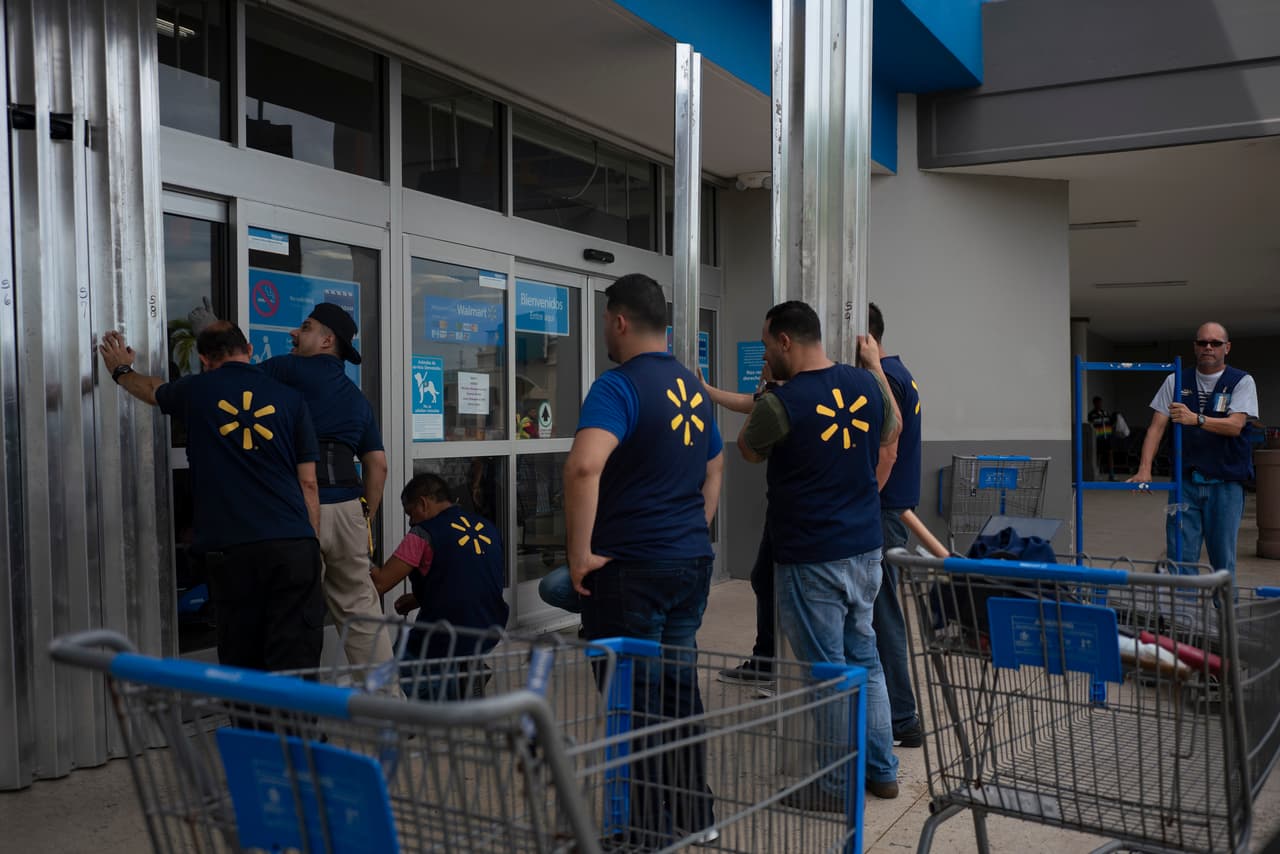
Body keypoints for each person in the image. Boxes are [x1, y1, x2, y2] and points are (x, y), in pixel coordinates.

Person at [564, 273, 724, 844]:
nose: (606, 328)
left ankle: (644, 830)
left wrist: (579, 554)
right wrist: (691, 527)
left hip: (631, 570)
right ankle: (694, 817)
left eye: (607, 318)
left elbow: (585, 466)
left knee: (635, 701)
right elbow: (715, 467)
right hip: (688, 562)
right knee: (680, 690)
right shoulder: (692, 390)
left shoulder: (618, 386)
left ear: (621, 321)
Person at [737, 300, 902, 804]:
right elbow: (892, 428)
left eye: (768, 346)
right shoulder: (865, 384)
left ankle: (833, 787)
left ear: (785, 342)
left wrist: (767, 389)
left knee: (827, 673)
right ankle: (882, 770)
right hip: (865, 550)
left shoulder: (781, 402)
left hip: (812, 557)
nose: (767, 355)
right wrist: (873, 368)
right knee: (865, 661)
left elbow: (747, 448)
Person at [98, 322, 324, 672]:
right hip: (292, 545)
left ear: (204, 359)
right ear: (249, 350)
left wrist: (120, 369)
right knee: (296, 655)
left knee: (241, 656)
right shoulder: (292, 400)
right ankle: (297, 726)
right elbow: (308, 483)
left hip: (232, 549)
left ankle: (249, 727)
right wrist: (309, 542)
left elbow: (151, 390)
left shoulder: (196, 391)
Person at [259, 303, 394, 674]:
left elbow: (233, 383)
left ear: (325, 340)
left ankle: (299, 710)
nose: (293, 334)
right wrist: (367, 512)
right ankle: (389, 708)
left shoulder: (287, 369)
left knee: (297, 612)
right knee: (362, 609)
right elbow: (378, 464)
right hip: (350, 508)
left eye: (304, 327)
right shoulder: (356, 398)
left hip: (301, 508)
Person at [1127, 322, 1259, 576]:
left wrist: (1195, 418)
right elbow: (1156, 427)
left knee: (1223, 559)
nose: (1208, 347)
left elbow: (1235, 425)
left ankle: (1224, 615)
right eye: (1202, 342)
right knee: (1180, 556)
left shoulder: (1242, 381)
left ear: (1227, 348)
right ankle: (1183, 614)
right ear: (1195, 347)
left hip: (1226, 483)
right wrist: (1144, 469)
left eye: (1215, 343)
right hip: (1185, 483)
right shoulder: (1176, 380)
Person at [370, 473, 509, 699]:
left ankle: (456, 683)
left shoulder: (423, 533)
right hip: (490, 628)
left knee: (389, 680)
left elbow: (379, 583)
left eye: (410, 513)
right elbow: (467, 577)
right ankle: (466, 669)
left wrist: (355, 556)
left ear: (423, 503)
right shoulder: (488, 528)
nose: (410, 522)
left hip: (445, 633)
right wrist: (416, 599)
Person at [868, 302, 925, 749]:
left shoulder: (883, 378)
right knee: (883, 612)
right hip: (894, 508)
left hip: (884, 510)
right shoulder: (902, 372)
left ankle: (902, 717)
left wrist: (864, 497)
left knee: (884, 614)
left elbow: (887, 451)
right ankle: (898, 713)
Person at [1089, 396, 1117, 479]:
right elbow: (1091, 426)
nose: (1099, 404)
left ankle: (1111, 474)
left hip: (1107, 438)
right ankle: (1097, 474)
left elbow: (1111, 423)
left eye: (1100, 403)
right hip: (1098, 438)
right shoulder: (1091, 415)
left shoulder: (1105, 413)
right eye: (1097, 403)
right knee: (1098, 456)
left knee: (1110, 454)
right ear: (1094, 403)